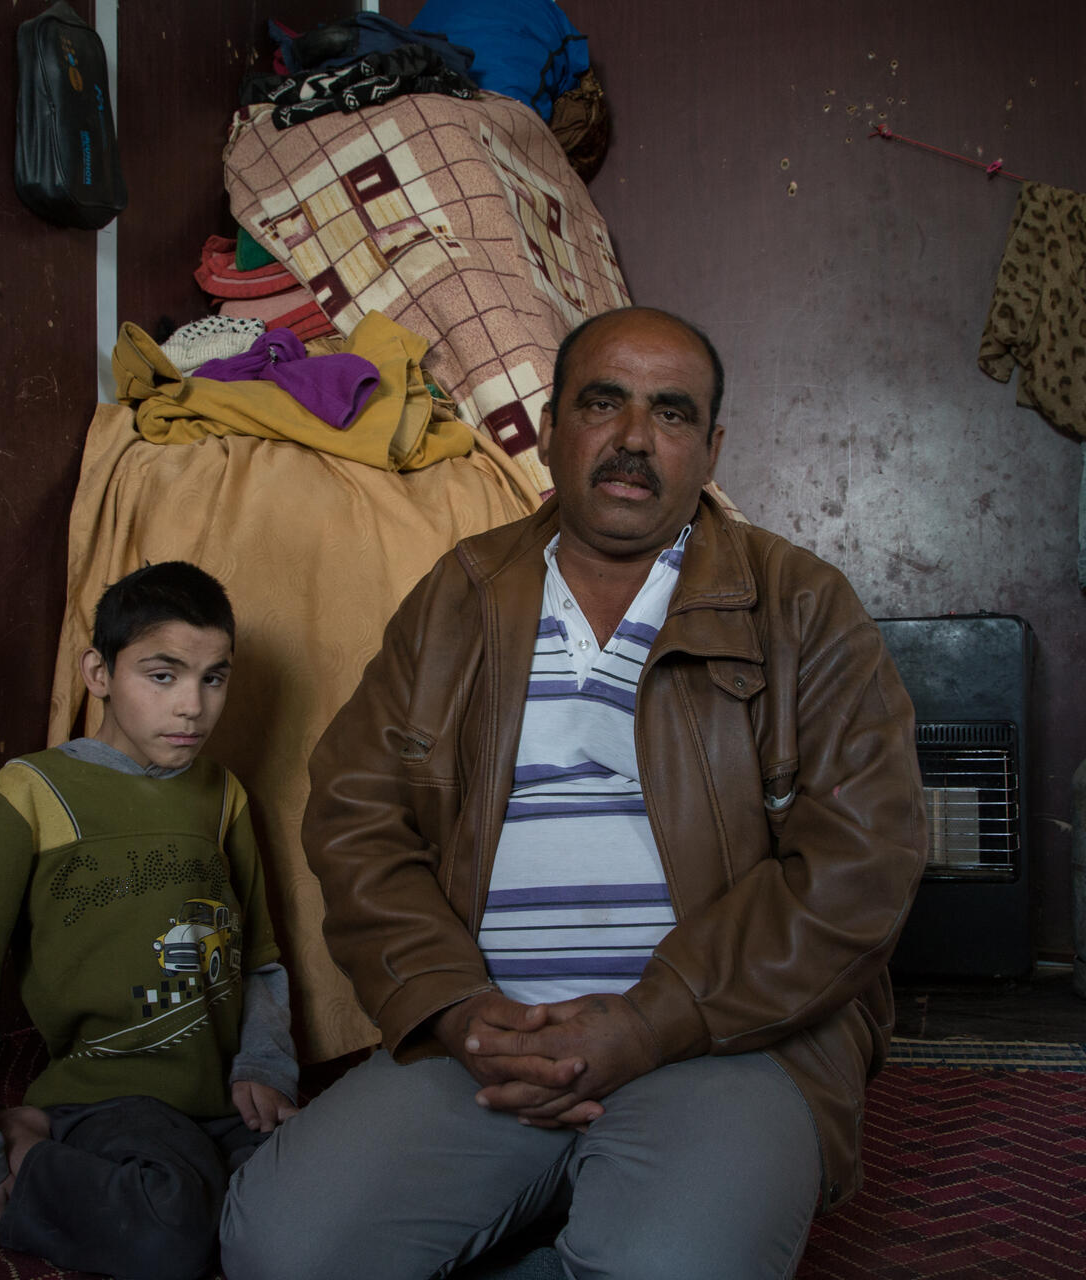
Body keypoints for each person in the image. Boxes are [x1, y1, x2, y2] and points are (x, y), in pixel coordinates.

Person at [219, 307, 927, 1280]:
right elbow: (358, 813)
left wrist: (649, 1019)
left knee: (666, 1266)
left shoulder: (801, 605)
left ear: (709, 446)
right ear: (550, 427)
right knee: (278, 1247)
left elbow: (862, 863)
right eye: (604, 402)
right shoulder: (460, 593)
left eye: (671, 413)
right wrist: (453, 1005)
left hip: (722, 1041)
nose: (634, 438)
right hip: (490, 1036)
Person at [0, 560, 298, 1280]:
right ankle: (28, 1145)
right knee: (168, 1232)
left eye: (214, 677)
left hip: (225, 1101)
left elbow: (257, 959)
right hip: (114, 1094)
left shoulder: (223, 796)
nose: (193, 707)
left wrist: (265, 1063)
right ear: (99, 673)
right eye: (162, 675)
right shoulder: (33, 791)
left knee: (317, 1214)